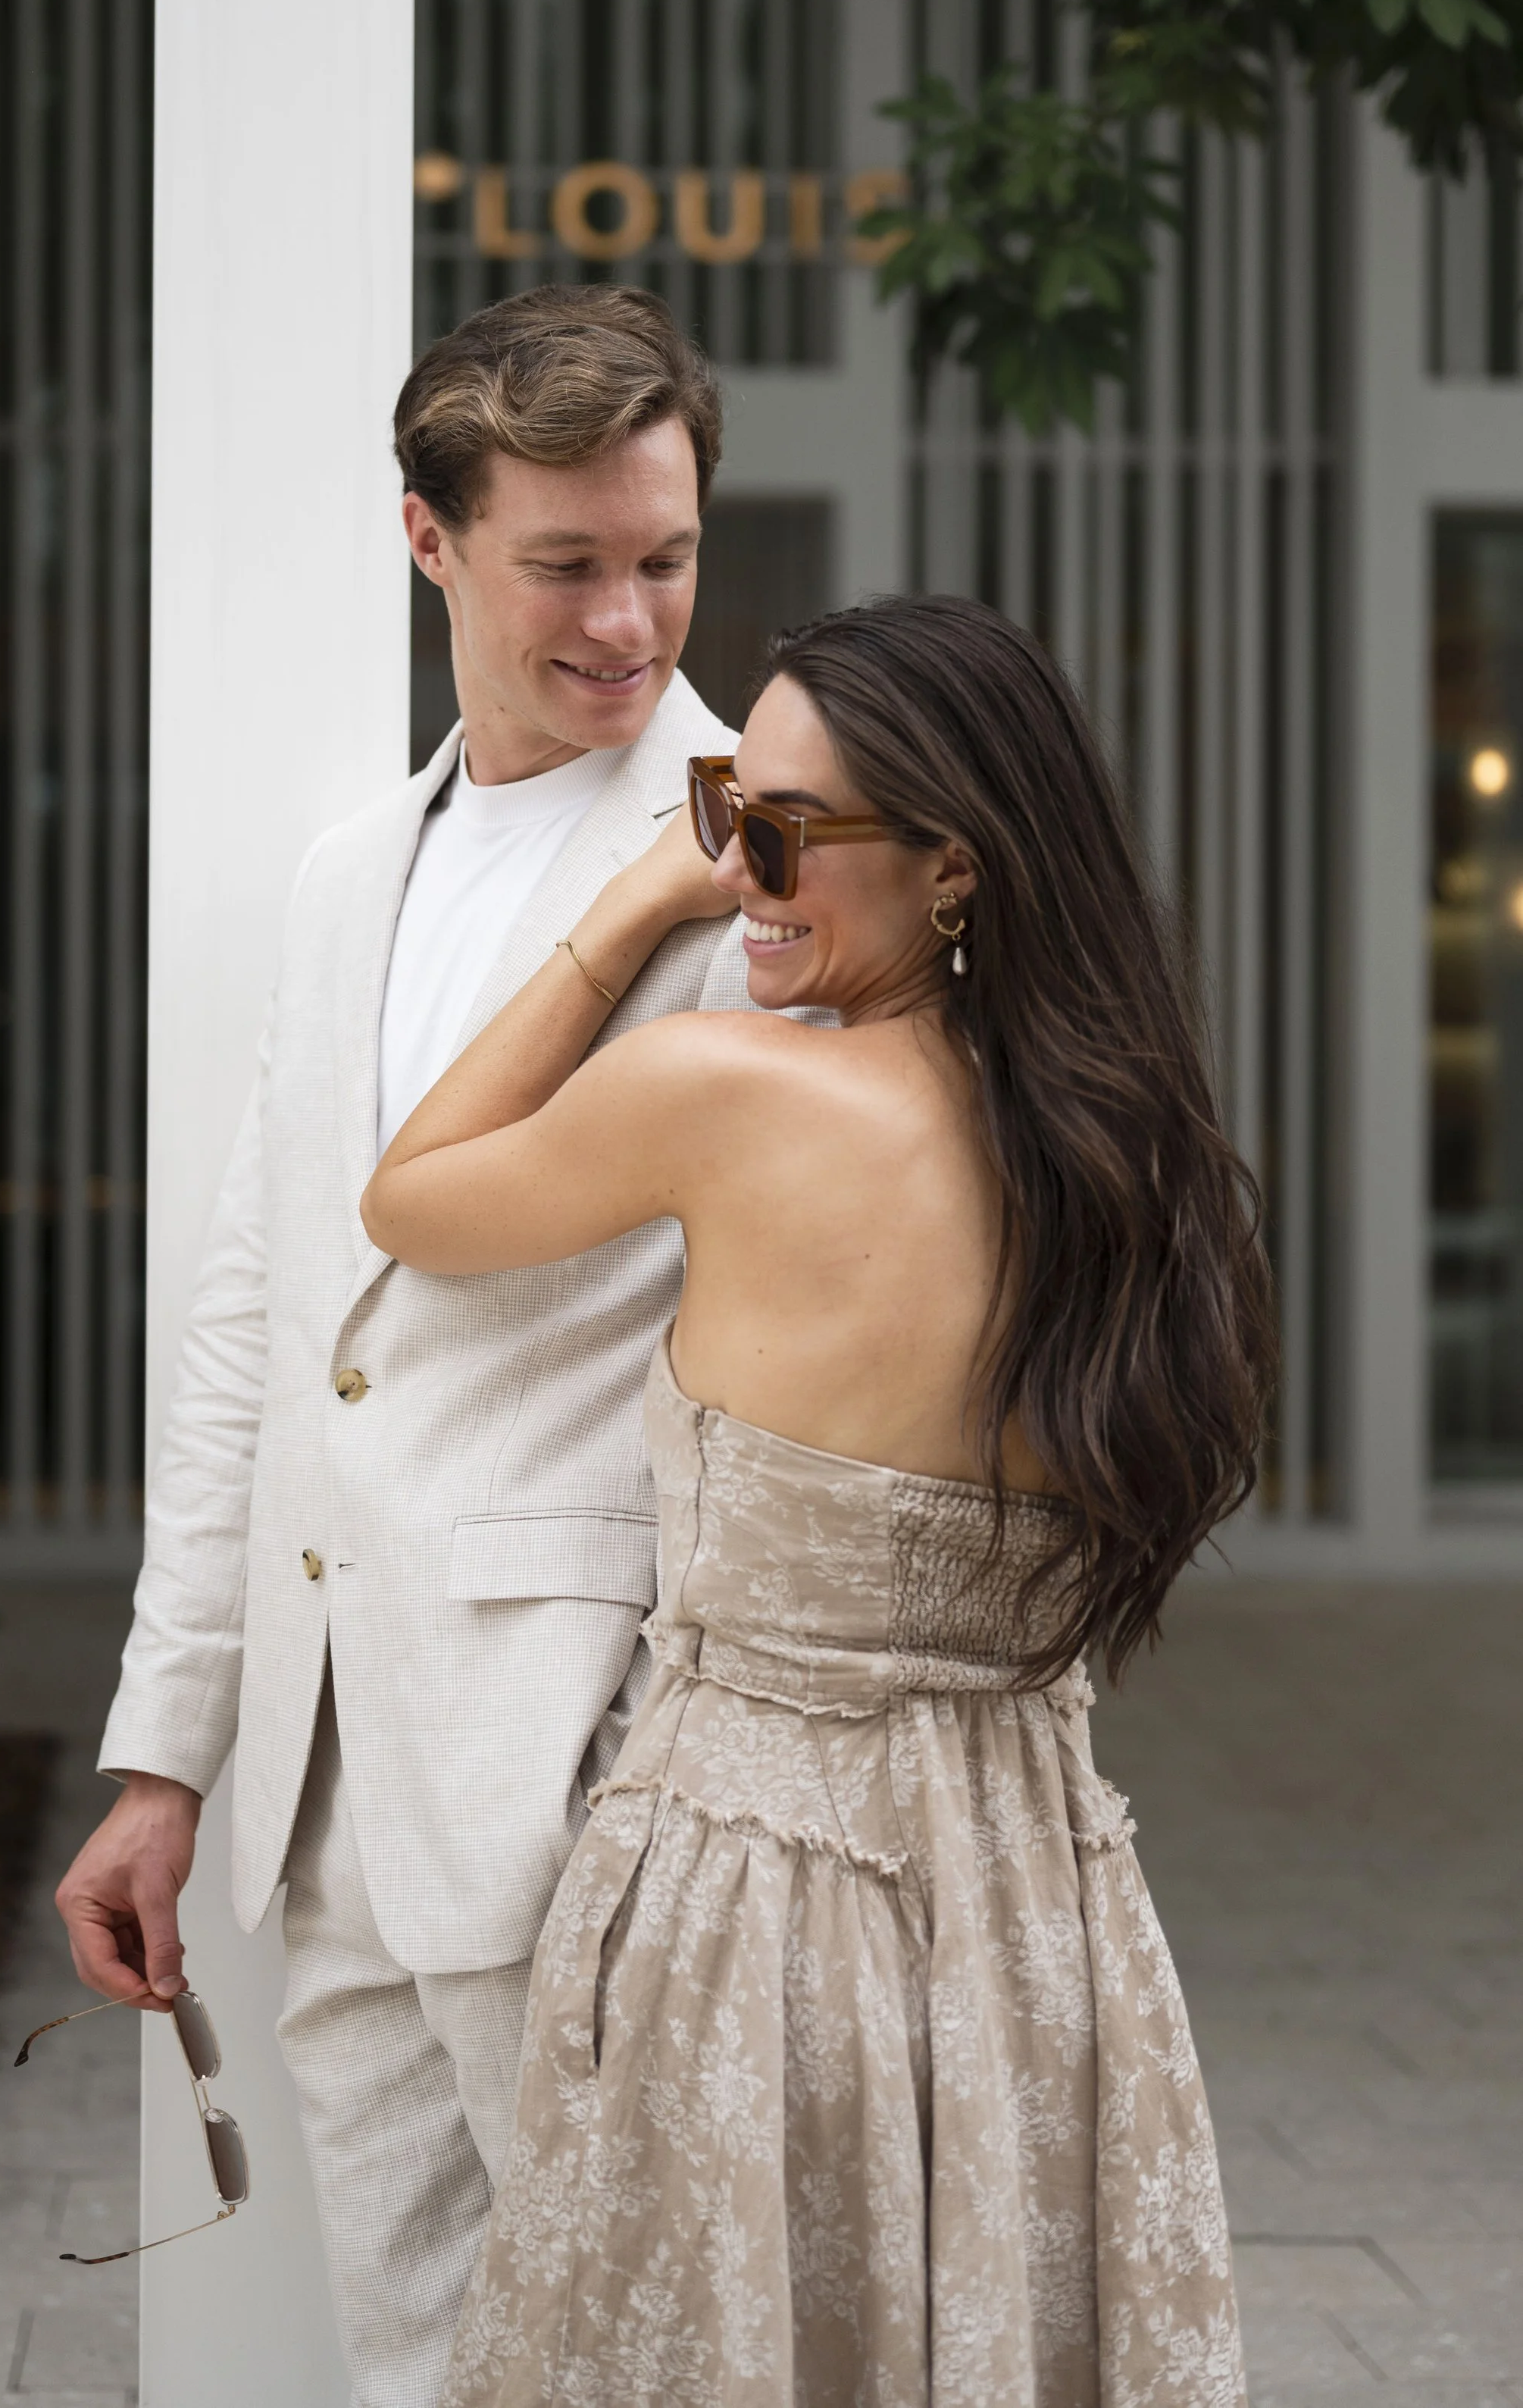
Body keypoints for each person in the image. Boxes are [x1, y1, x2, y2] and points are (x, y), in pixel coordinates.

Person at [362, 593, 1272, 2408]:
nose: (733, 868)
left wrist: (623, 908)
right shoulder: (1130, 1156)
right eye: (718, 815)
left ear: (954, 867)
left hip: (751, 1899)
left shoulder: (725, 1091)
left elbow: (414, 1197)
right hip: (1034, 1897)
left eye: (777, 830)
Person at [55, 286, 762, 2406]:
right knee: (414, 2366)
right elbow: (265, 1324)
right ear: (428, 542)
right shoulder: (353, 867)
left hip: (578, 1771)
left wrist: (665, 1753)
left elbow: (804, 1343)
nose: (628, 619)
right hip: (317, 1771)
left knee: (639, 2361)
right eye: (567, 561)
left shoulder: (764, 867)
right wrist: (165, 1747)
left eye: (665, 555)